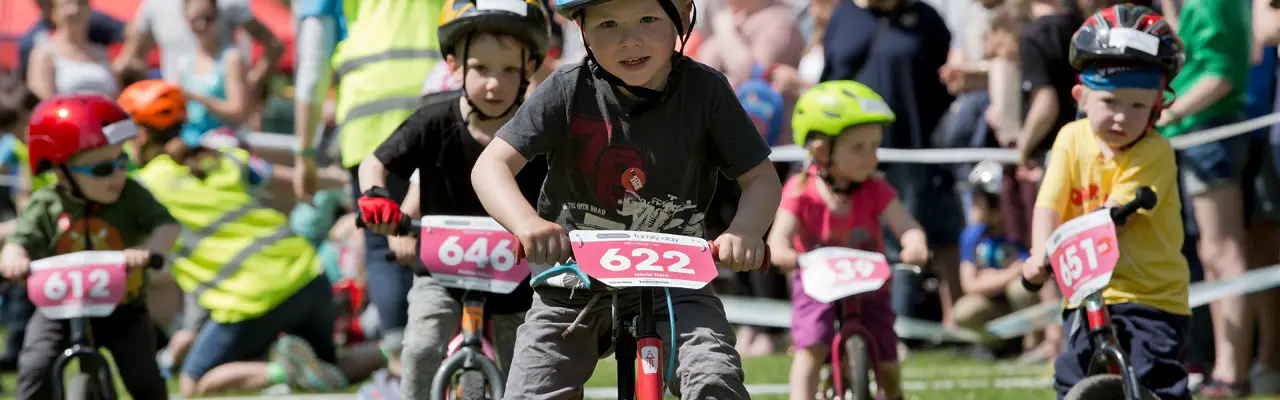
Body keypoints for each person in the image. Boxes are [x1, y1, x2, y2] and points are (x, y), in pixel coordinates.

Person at [470, 0, 784, 394]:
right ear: (581, 30)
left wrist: (746, 231)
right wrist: (527, 223)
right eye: (608, 24)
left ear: (682, 20)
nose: (628, 40)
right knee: (533, 390)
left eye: (648, 19)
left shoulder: (706, 91)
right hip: (571, 282)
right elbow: (490, 167)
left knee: (714, 377)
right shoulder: (567, 89)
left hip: (677, 284)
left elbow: (761, 178)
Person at [117, 80, 383, 396]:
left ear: (140, 135)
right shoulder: (222, 156)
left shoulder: (142, 188)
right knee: (330, 366)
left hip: (250, 297)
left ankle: (281, 371)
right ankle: (392, 350)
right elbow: (290, 180)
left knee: (193, 384)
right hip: (307, 275)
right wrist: (347, 181)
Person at [354, 0, 550, 397]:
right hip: (442, 272)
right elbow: (373, 164)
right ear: (454, 65)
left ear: (530, 70)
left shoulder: (538, 134)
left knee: (528, 367)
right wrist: (378, 201)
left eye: (509, 69)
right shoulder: (433, 121)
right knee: (422, 347)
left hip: (516, 276)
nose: (493, 84)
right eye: (480, 68)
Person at [1019, 5, 1190, 399]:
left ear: (1157, 107)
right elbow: (1049, 203)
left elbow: (1115, 213)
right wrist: (1039, 254)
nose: (1121, 117)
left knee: (1157, 378)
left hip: (1150, 295)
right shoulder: (1069, 139)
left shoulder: (1155, 151)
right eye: (1110, 102)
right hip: (1084, 291)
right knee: (1071, 376)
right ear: (1081, 97)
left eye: (1137, 106)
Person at [291, 0, 448, 370]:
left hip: (368, 119)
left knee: (382, 243)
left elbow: (312, 65)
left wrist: (304, 153)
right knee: (449, 229)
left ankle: (401, 360)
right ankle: (461, 345)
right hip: (439, 102)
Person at [0, 94, 180, 399]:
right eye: (101, 169)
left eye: (122, 161)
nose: (117, 175)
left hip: (121, 307)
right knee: (34, 367)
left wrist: (151, 249)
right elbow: (20, 240)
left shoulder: (131, 196)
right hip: (58, 308)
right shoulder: (47, 204)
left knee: (144, 378)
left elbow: (167, 225)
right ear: (60, 171)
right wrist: (13, 259)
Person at [768, 80, 929, 400]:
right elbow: (778, 238)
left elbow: (907, 225)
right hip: (817, 286)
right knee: (810, 348)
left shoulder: (876, 189)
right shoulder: (800, 191)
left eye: (874, 146)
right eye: (859, 148)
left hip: (870, 285)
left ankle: (892, 393)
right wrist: (782, 252)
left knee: (888, 358)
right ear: (820, 149)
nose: (871, 158)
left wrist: (914, 243)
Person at [820, 0, 964, 329]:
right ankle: (859, 323)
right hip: (844, 156)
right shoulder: (844, 16)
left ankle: (901, 326)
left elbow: (943, 84)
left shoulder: (926, 19)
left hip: (911, 151)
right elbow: (829, 77)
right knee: (863, 237)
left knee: (912, 235)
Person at [1151, 0, 1252, 395]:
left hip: (1211, 130)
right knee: (1211, 254)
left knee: (1223, 252)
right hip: (1197, 134)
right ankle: (1225, 368)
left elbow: (1221, 74)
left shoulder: (1214, 2)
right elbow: (1192, 54)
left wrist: (1167, 116)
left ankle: (1233, 372)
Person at [951, 161, 1037, 361]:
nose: (972, 203)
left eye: (978, 198)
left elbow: (1028, 273)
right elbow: (969, 284)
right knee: (964, 310)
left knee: (1020, 289)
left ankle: (1032, 344)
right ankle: (998, 345)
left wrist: (992, 277)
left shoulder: (1018, 231)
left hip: (1019, 300)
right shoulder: (972, 235)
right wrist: (1008, 274)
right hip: (993, 302)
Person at [114, 0, 281, 89]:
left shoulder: (230, 3)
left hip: (222, 120)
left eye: (208, 19)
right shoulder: (153, 4)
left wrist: (251, 85)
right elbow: (132, 57)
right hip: (175, 116)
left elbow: (274, 46)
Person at [178, 0, 253, 148]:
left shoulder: (231, 59)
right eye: (194, 20)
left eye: (207, 18)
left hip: (224, 144)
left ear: (218, 16)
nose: (201, 25)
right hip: (189, 143)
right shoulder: (185, 63)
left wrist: (196, 97)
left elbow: (239, 112)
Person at [25, 0, 120, 99]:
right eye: (67, 4)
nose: (75, 10)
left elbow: (117, 98)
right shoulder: (44, 54)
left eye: (81, 3)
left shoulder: (101, 52)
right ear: (54, 12)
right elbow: (42, 104)